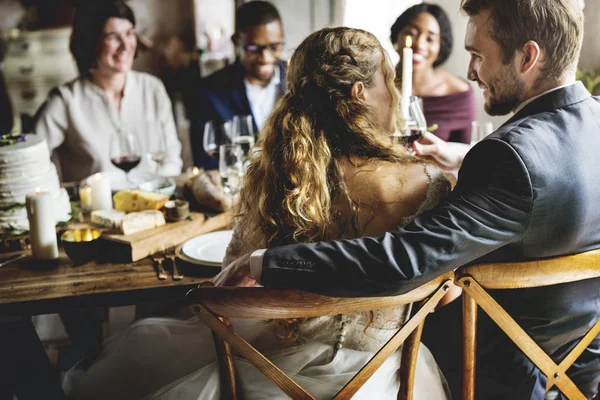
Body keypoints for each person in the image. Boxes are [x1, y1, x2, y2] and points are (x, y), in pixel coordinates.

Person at [218, 0, 600, 399]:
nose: (470, 72)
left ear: (528, 56)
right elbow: (544, 185)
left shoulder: (508, 157)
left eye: (477, 55)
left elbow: (403, 260)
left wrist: (267, 262)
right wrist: (469, 158)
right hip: (580, 375)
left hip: (509, 382)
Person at [65, 27, 451, 400]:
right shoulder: (428, 183)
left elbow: (232, 277)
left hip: (274, 373)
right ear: (361, 92)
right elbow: (443, 293)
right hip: (382, 379)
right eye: (389, 80)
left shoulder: (283, 175)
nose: (395, 94)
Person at [34, 0, 182, 189]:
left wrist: (158, 193)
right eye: (113, 37)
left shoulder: (152, 89)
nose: (125, 45)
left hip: (154, 206)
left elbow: (171, 158)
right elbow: (28, 162)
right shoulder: (66, 100)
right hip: (95, 213)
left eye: (129, 33)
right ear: (91, 42)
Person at [190, 0, 286, 170]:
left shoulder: (301, 80)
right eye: (253, 48)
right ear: (236, 42)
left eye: (274, 47)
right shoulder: (209, 92)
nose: (265, 57)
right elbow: (205, 161)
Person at [391, 3, 477, 143]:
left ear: (441, 47)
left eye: (430, 39)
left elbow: (465, 154)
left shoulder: (458, 94)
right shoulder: (375, 85)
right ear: (397, 36)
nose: (419, 44)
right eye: (411, 34)